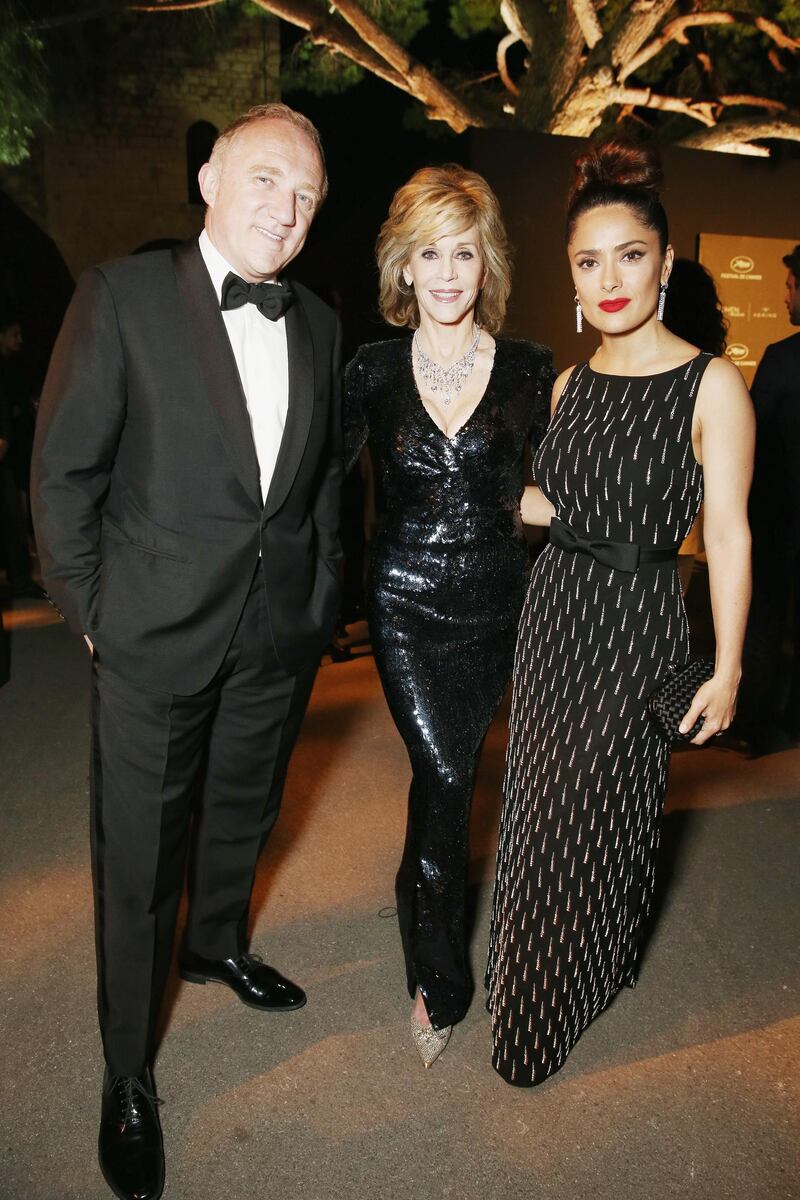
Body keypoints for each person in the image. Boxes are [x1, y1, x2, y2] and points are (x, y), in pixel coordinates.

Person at [32, 104, 342, 1200]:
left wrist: (319, 589)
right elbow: (63, 473)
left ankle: (213, 945)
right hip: (151, 631)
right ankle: (127, 1069)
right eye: (266, 179)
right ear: (208, 175)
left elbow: (316, 485)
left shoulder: (317, 319)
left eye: (306, 194)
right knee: (134, 858)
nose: (286, 209)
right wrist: (90, 612)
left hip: (275, 632)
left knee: (242, 812)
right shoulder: (119, 296)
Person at [487, 139, 754, 1087]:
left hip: (637, 622)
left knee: (601, 815)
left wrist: (725, 666)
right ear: (571, 275)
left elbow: (726, 535)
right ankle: (543, 990)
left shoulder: (712, 384)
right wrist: (499, 495)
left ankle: (577, 980)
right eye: (588, 261)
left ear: (665, 265)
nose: (609, 280)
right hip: (555, 612)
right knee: (537, 811)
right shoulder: (568, 385)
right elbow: (553, 509)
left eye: (629, 256)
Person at [344, 165, 554, 1067]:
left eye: (462, 252)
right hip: (403, 603)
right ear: (402, 263)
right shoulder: (373, 370)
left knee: (445, 781)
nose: (446, 271)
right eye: (428, 251)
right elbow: (309, 484)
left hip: (494, 602)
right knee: (443, 772)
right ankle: (442, 982)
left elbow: (549, 493)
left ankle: (422, 939)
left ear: (486, 264)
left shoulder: (533, 371)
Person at [735, 244, 800, 749]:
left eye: (790, 285)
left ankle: (752, 726)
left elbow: (751, 444)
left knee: (762, 620)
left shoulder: (782, 360)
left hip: (779, 521)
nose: (784, 296)